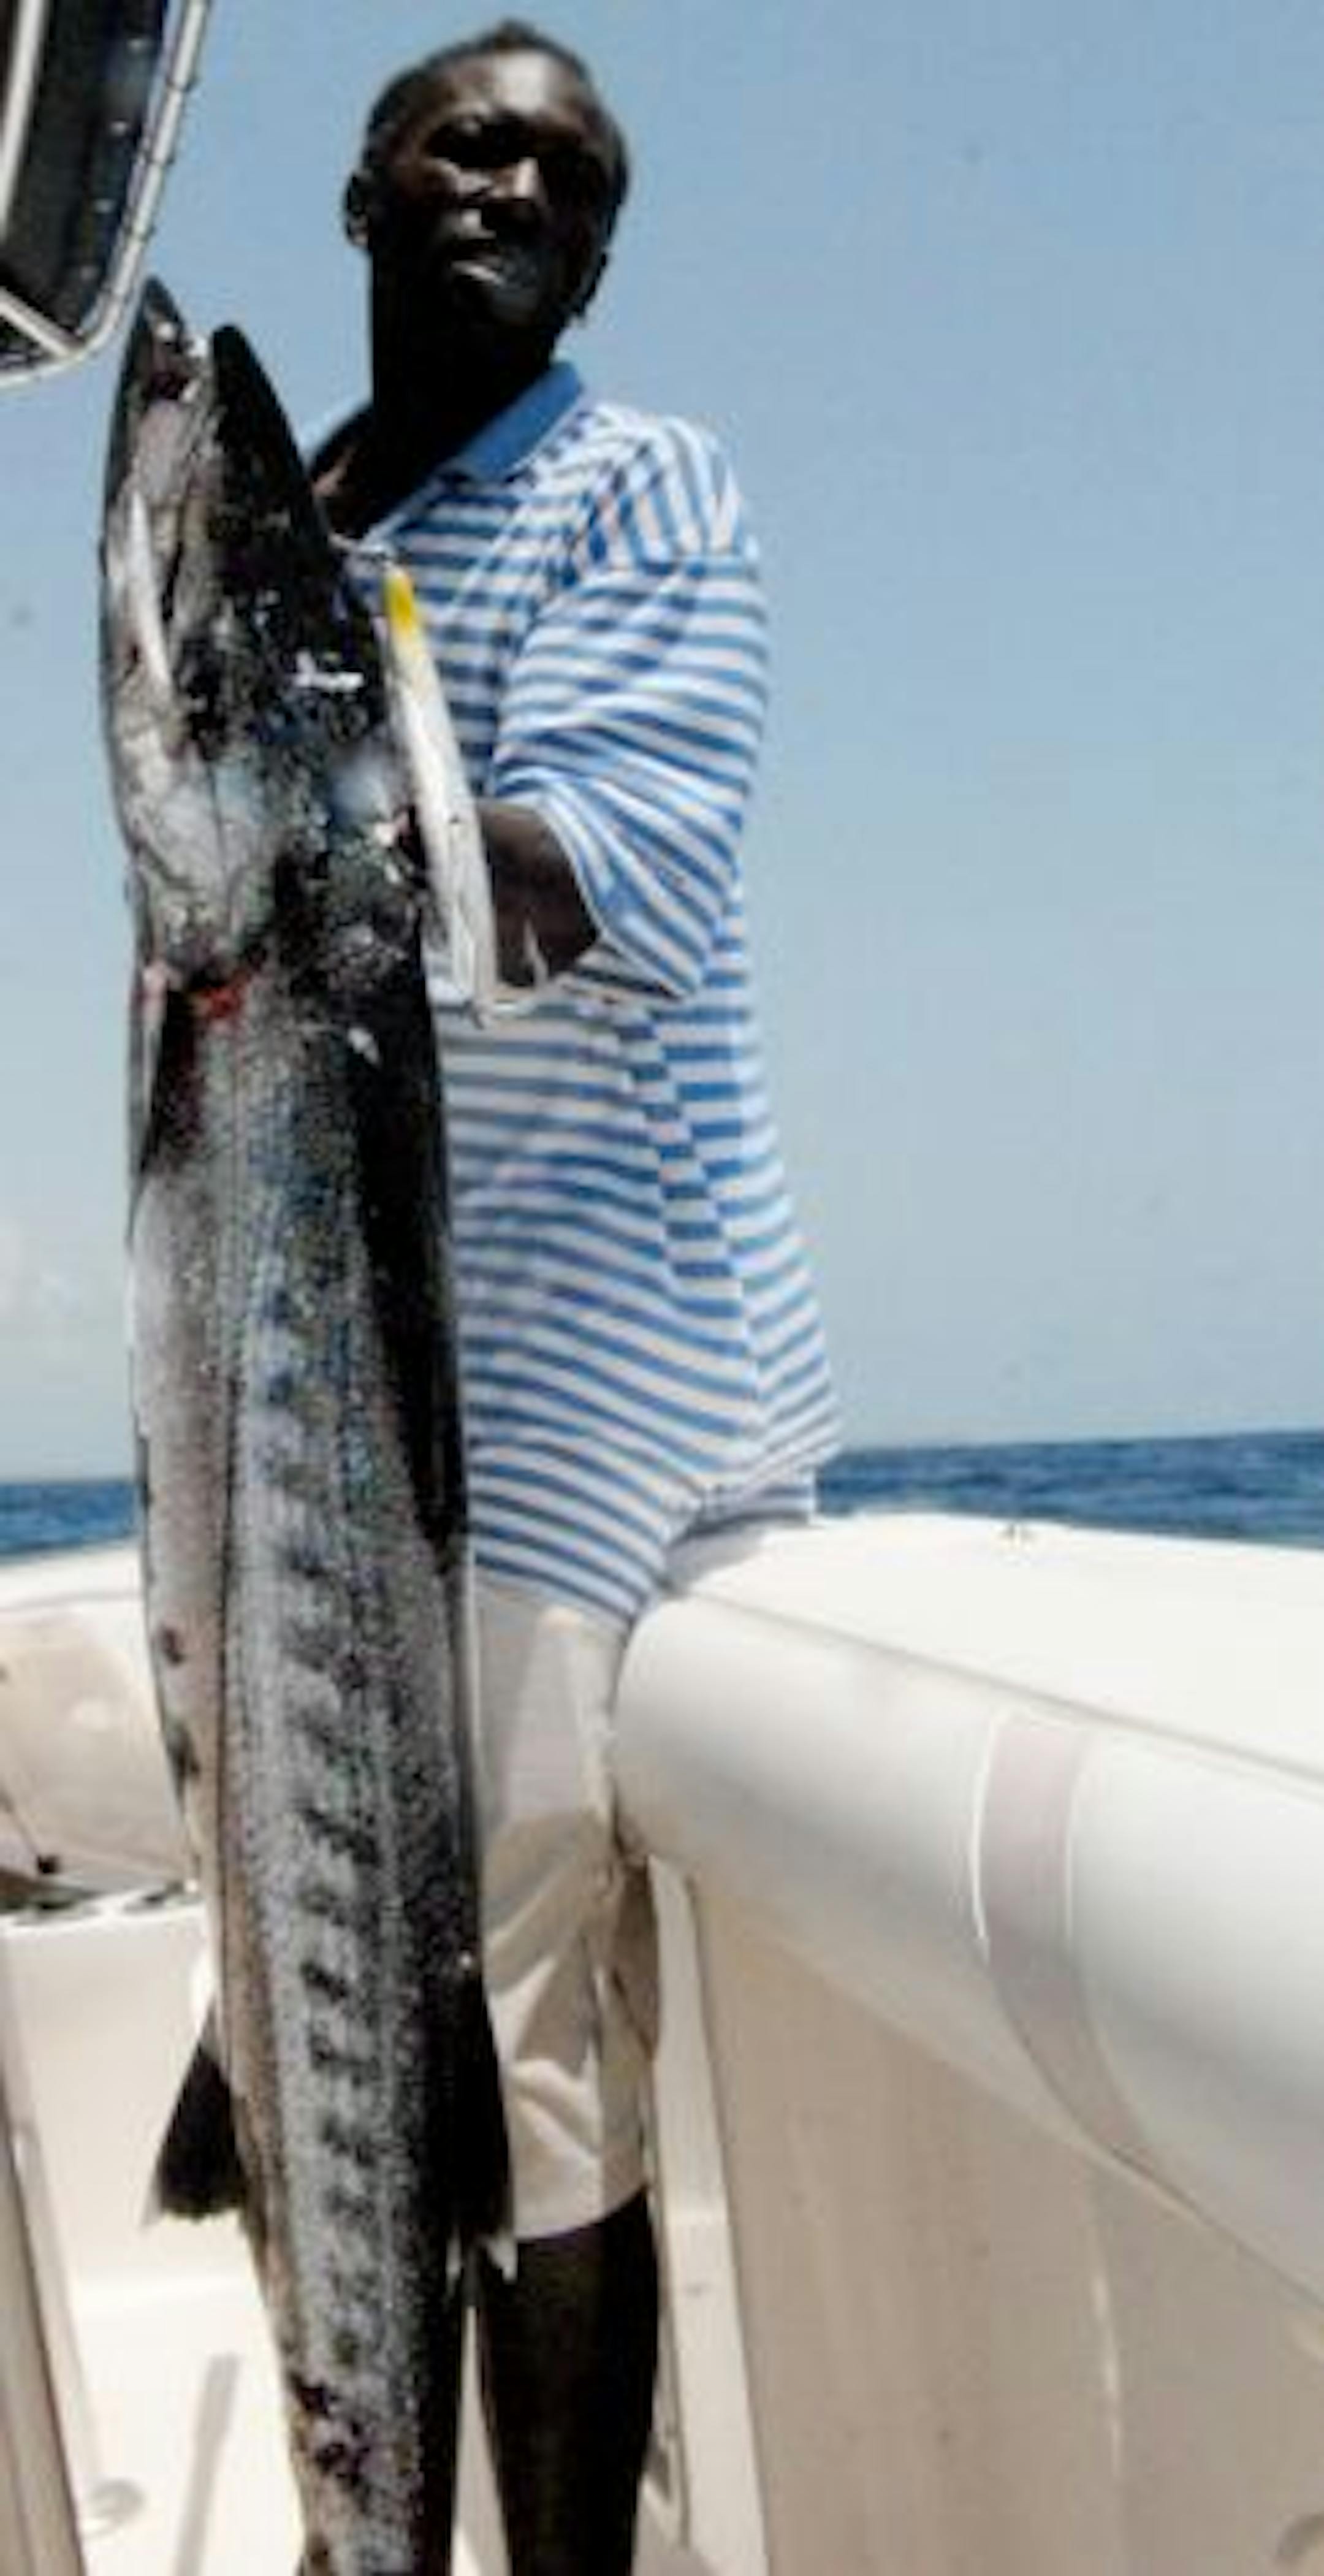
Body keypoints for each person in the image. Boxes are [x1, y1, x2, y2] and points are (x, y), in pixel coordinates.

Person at [313, 21, 838, 2570]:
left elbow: (600, 867)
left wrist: (292, 845)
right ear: (367, 188)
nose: (517, 182)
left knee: (512, 2009)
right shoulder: (302, 522)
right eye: (469, 138)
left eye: (569, 169)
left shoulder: (644, 486)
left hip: (603, 1339)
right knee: (330, 1996)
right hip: (353, 1362)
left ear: (596, 244)